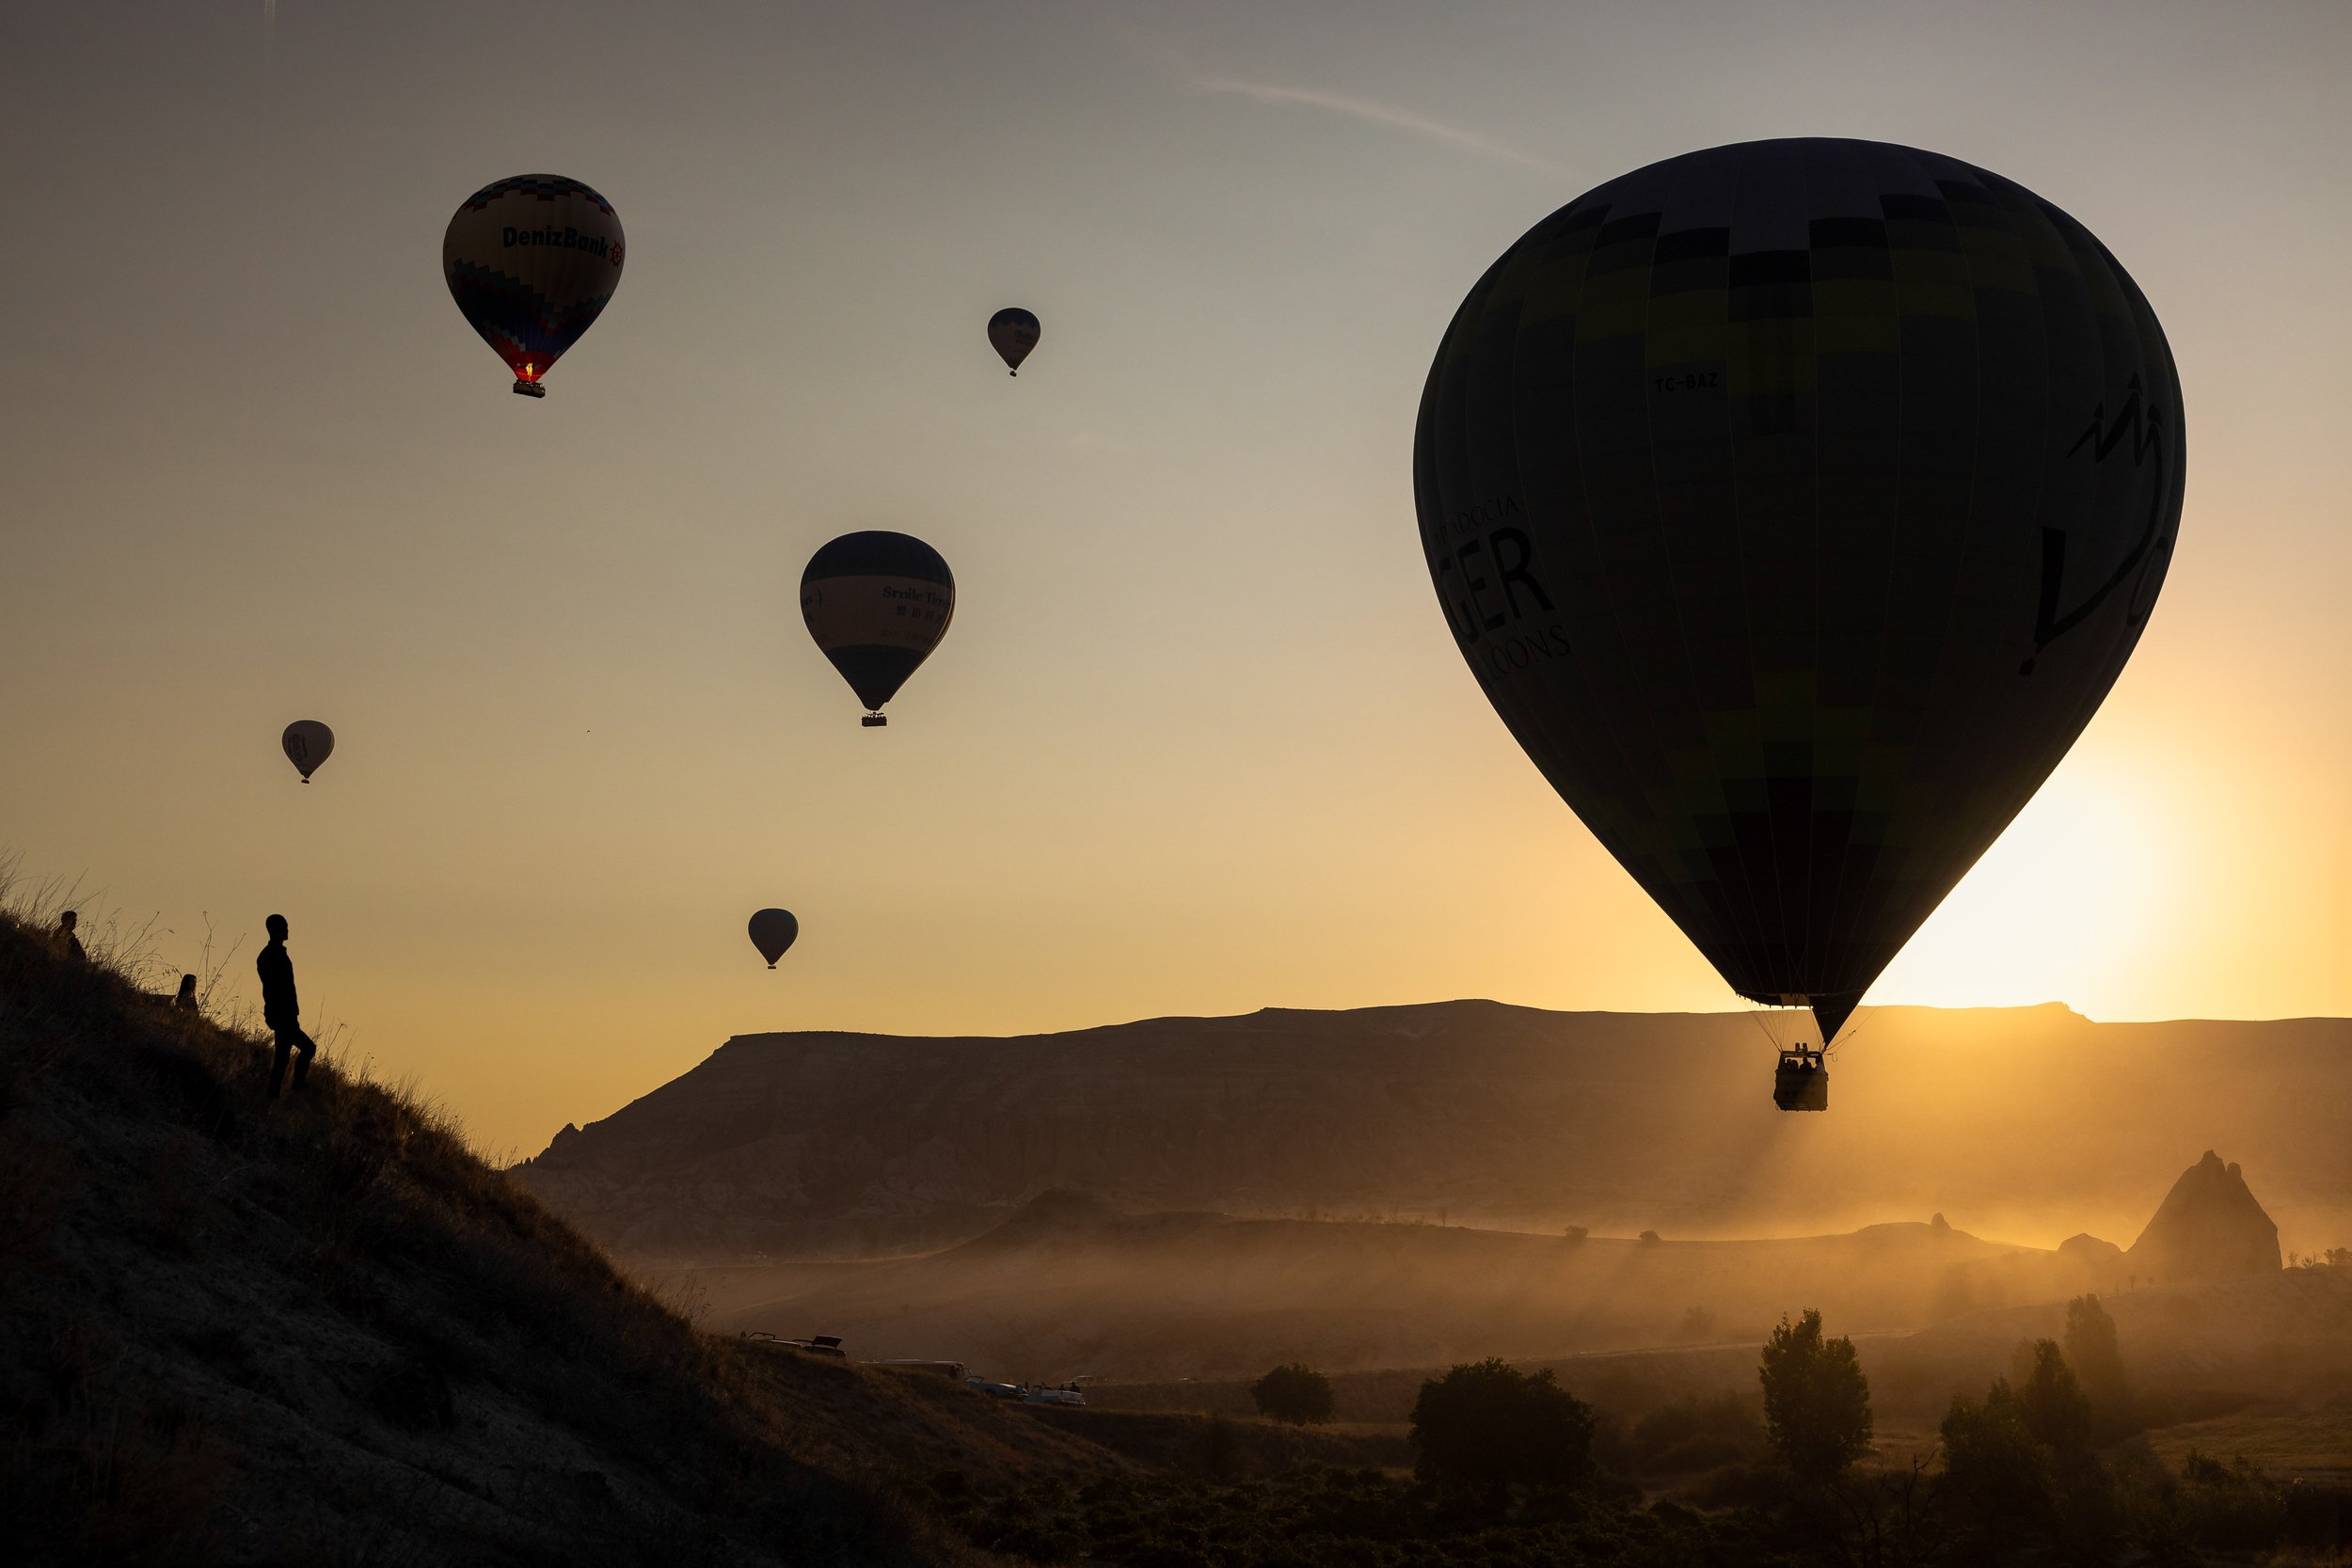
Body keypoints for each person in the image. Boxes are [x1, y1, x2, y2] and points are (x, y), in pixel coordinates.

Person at [256, 913, 314, 1100]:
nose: (288, 930)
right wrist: (281, 1011)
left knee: (286, 1057)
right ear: (275, 930)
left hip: (284, 1013)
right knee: (294, 1053)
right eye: (285, 927)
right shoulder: (271, 955)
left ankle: (279, 1094)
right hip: (282, 1013)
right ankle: (292, 1090)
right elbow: (275, 987)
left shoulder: (274, 954)